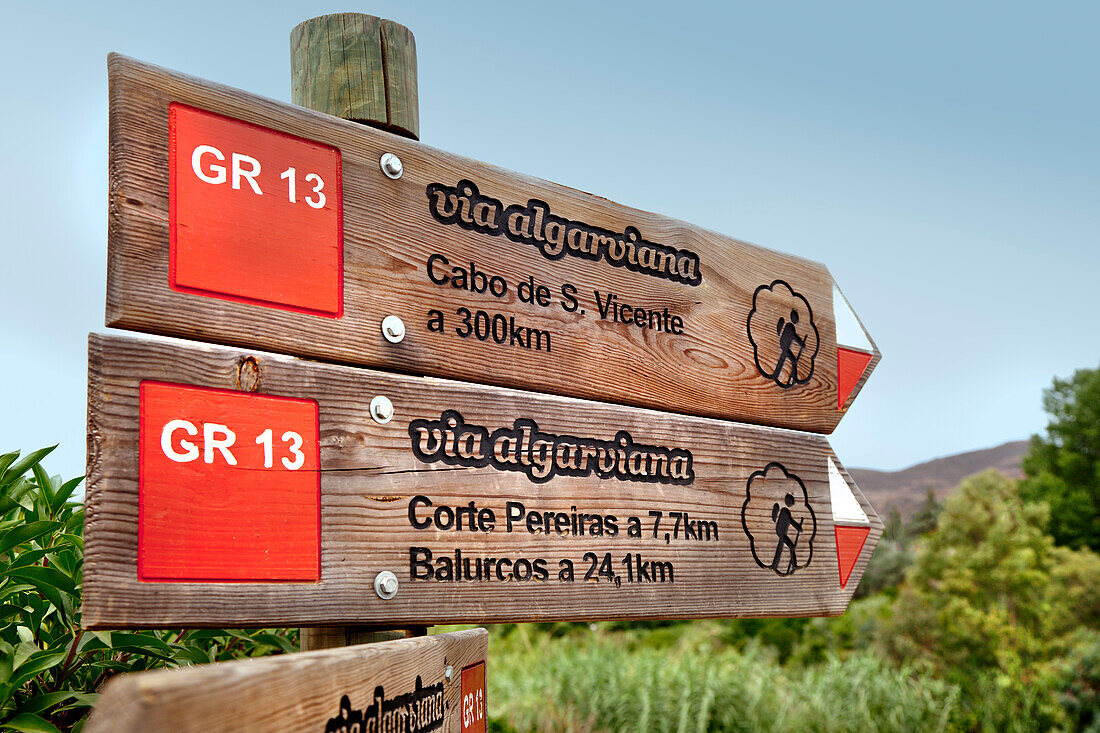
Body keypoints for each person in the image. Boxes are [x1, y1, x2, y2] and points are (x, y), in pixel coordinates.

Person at [771, 493, 803, 575]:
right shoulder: (785, 512)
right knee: (787, 546)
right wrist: (798, 528)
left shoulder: (784, 511)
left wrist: (798, 528)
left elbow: (790, 521)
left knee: (782, 546)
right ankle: (793, 564)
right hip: (781, 532)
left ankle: (776, 565)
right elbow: (791, 521)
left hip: (781, 532)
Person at [773, 309, 806, 385]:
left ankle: (776, 373)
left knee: (784, 358)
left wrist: (801, 344)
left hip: (784, 345)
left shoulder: (789, 325)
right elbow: (795, 337)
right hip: (785, 345)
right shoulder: (790, 327)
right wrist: (802, 344)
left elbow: (794, 336)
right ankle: (793, 376)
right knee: (793, 360)